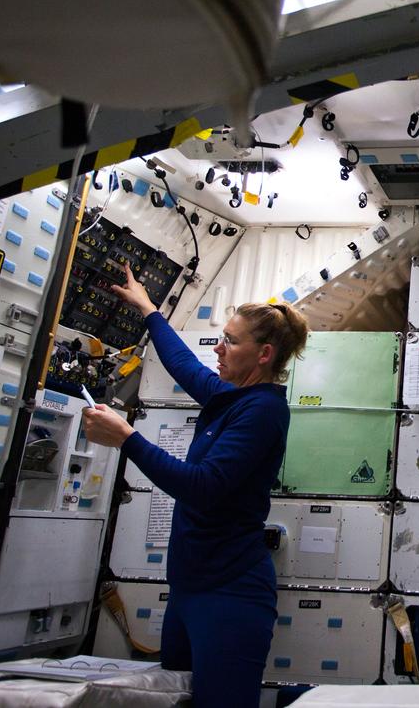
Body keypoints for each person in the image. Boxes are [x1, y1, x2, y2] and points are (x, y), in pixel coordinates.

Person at [82, 265, 307, 706]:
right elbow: (182, 364)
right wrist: (148, 308)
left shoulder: (261, 411)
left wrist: (126, 438)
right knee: (178, 699)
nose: (218, 349)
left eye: (231, 342)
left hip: (230, 595)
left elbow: (203, 487)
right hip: (190, 588)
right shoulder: (231, 397)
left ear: (263, 355)